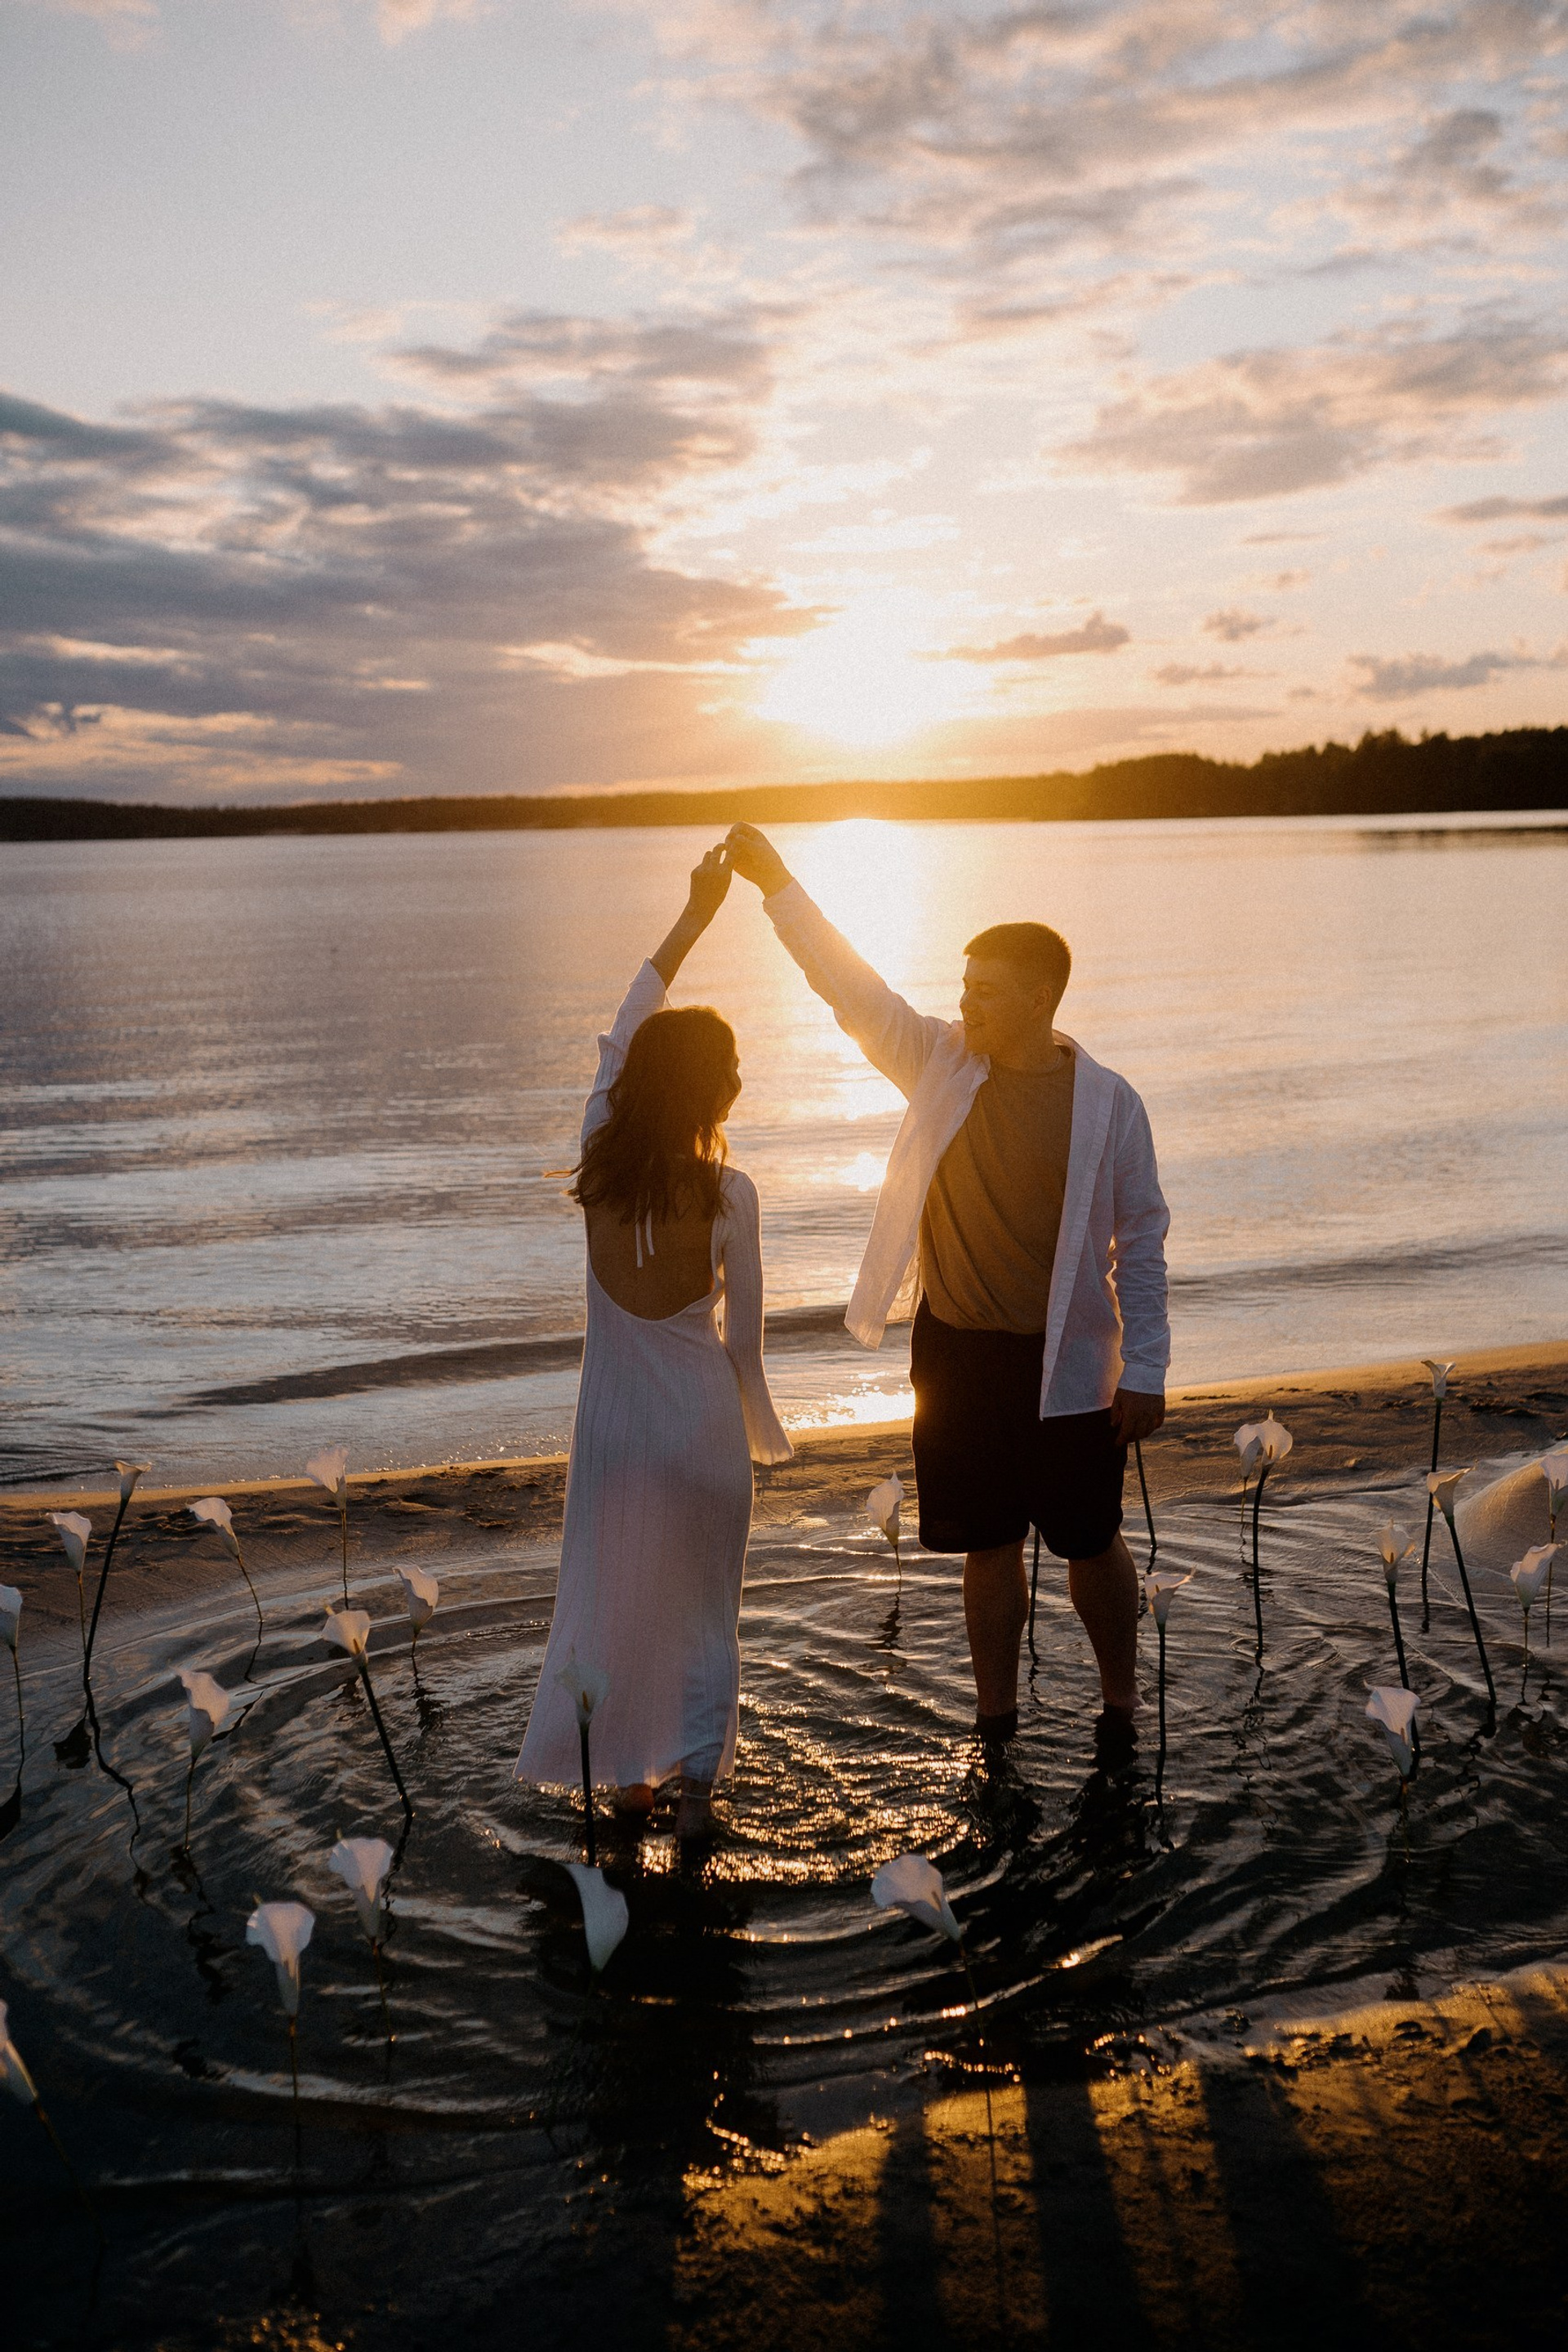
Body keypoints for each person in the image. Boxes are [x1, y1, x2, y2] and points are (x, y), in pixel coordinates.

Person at [724, 822, 1169, 1748]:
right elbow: (851, 990)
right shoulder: (939, 1062)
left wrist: (1147, 1369)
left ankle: (1121, 1703)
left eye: (985, 991)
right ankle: (996, 1718)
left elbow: (1145, 1240)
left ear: (1040, 998)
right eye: (963, 987)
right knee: (987, 1544)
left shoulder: (1110, 1103)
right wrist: (778, 887)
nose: (964, 1003)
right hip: (958, 1355)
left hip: (1071, 1364)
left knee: (1090, 1540)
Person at [514, 847, 792, 1842]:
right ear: (708, 1093)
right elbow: (745, 1345)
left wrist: (693, 914)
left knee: (616, 1608)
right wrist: (763, 1429)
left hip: (613, 1434)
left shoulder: (596, 1159)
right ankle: (699, 1804)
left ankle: (626, 1788)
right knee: (701, 1621)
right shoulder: (731, 1195)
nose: (741, 1082)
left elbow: (626, 1022)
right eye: (730, 1073)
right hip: (700, 1431)